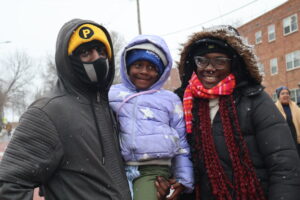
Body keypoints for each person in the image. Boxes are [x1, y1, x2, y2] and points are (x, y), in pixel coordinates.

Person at [162, 25, 300, 200]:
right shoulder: (184, 104)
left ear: (233, 63)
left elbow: (284, 166)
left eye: (219, 61)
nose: (209, 68)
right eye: (202, 60)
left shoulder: (255, 100)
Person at [0, 18, 131, 200]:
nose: (97, 58)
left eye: (101, 51)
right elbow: (6, 187)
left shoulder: (110, 108)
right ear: (67, 60)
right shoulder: (48, 113)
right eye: (85, 52)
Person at [109, 34, 194, 200]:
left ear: (161, 72)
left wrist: (183, 178)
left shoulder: (170, 99)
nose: (143, 71)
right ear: (127, 67)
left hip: (154, 170)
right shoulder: (111, 94)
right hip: (117, 169)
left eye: (151, 67)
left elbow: (182, 142)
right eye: (138, 65)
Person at [275, 86, 300, 155]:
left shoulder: (295, 107)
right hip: (283, 141)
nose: (286, 95)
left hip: (296, 138)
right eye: (282, 93)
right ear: (278, 96)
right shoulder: (274, 109)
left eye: (287, 93)